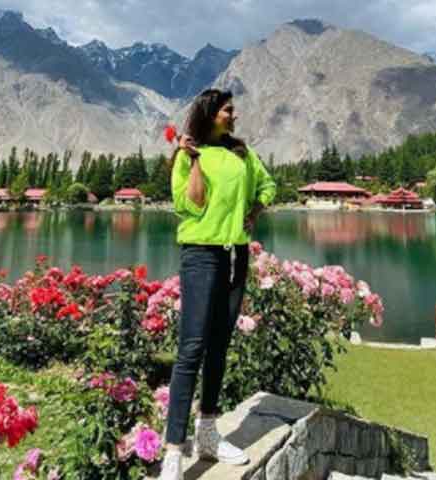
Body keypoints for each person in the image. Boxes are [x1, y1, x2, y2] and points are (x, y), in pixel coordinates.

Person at [159, 89, 276, 480]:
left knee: (219, 346)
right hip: (200, 255)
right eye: (228, 110)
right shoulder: (186, 156)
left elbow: (268, 186)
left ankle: (208, 433)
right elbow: (189, 206)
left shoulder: (243, 153)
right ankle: (174, 451)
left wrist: (254, 212)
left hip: (235, 256)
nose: (234, 115)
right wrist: (192, 160)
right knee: (191, 348)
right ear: (210, 114)